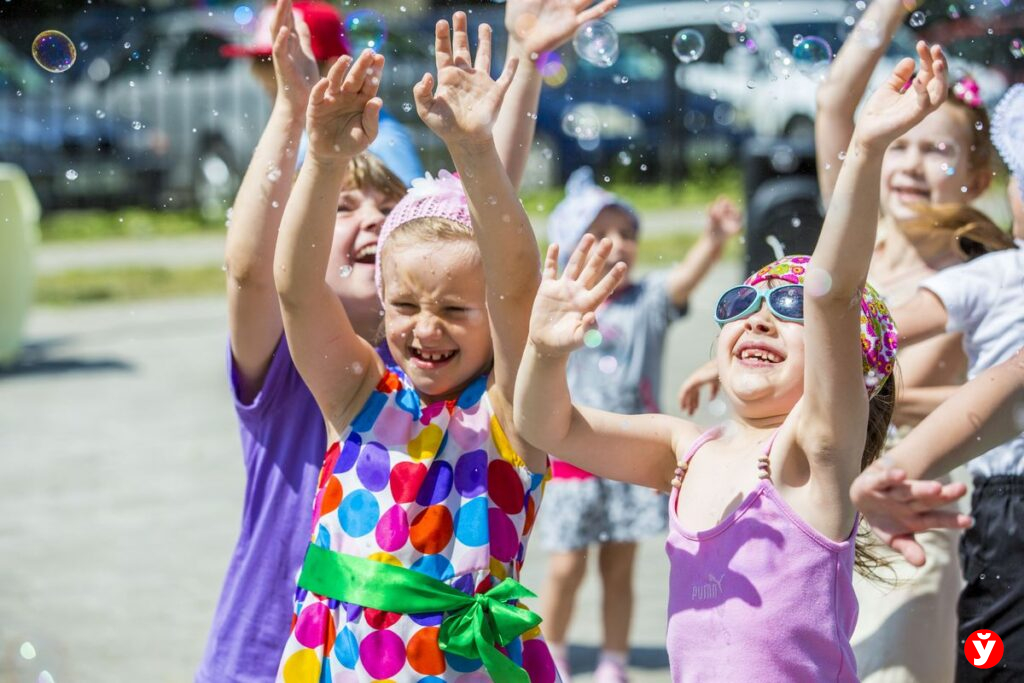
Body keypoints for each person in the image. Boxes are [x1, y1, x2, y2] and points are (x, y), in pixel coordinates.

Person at [201, 0, 616, 680]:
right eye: (406, 304)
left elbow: (504, 273)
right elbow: (291, 285)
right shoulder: (357, 391)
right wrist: (324, 156)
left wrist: (479, 142)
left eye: (453, 307)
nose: (425, 325)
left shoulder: (513, 411)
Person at [514, 42, 955, 680]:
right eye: (743, 299)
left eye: (787, 308)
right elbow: (546, 426)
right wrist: (544, 351)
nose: (759, 316)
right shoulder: (682, 450)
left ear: (848, 366)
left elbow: (833, 295)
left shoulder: (813, 453)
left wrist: (865, 148)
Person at [538, 172, 739, 682]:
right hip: (572, 455)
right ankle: (553, 649)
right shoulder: (561, 309)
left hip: (629, 455)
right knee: (564, 566)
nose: (619, 243)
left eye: (627, 233)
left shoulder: (646, 302)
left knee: (619, 567)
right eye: (602, 233)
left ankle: (613, 659)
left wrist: (713, 240)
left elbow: (684, 280)